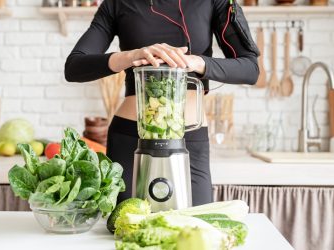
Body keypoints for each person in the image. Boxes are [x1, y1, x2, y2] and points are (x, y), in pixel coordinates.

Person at [65, 0, 259, 206]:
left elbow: (250, 68)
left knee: (195, 228)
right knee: (125, 229)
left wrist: (197, 62)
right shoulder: (117, 3)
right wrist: (133, 56)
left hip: (190, 139)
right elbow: (74, 66)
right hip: (130, 139)